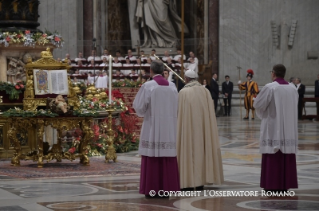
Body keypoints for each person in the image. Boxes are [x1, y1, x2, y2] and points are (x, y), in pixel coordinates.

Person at [133, 60, 180, 198]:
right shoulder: (172, 86)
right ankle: (166, 189)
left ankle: (152, 189)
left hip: (152, 126)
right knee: (167, 155)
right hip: (169, 127)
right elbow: (176, 106)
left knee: (152, 155)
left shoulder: (148, 86)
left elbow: (139, 107)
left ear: (151, 70)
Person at [253, 64, 298, 193]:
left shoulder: (270, 87)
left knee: (273, 153)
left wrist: (255, 101)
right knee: (286, 153)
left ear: (273, 73)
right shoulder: (292, 88)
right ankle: (285, 184)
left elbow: (259, 104)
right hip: (288, 127)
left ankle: (272, 184)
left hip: (273, 126)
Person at [177, 69, 224, 190]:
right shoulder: (205, 91)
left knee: (189, 150)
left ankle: (187, 182)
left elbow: (179, 114)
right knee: (202, 150)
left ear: (186, 79)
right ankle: (201, 181)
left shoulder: (183, 92)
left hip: (188, 130)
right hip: (203, 130)